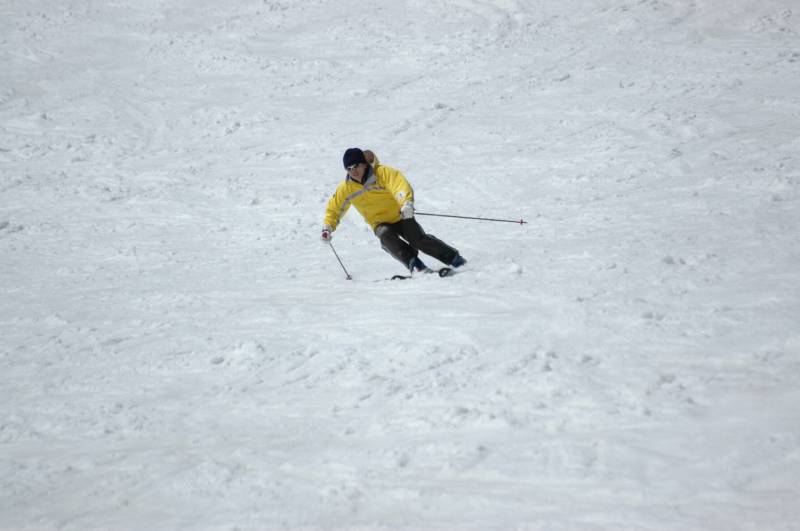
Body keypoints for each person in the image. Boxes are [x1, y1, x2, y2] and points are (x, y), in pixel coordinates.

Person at [321, 148, 467, 274]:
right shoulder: (346, 188)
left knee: (417, 240)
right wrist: (328, 227)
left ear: (364, 164)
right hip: (379, 222)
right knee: (386, 238)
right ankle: (416, 266)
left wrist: (406, 204)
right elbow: (334, 209)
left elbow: (399, 186)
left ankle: (455, 259)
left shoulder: (382, 173)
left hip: (401, 215)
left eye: (356, 166)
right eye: (349, 168)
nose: (353, 171)